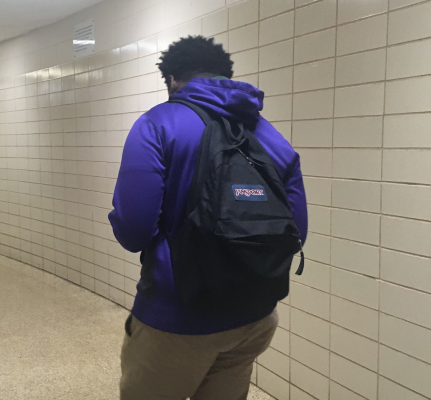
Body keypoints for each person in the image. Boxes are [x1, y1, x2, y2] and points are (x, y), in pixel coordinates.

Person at [108, 36, 308, 400]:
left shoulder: (157, 124)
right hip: (255, 316)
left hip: (177, 317)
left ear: (171, 79)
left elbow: (133, 230)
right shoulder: (271, 137)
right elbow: (296, 231)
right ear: (224, 76)